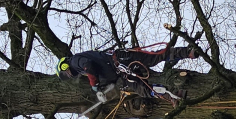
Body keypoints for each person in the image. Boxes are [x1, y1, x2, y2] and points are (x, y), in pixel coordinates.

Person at [58, 45, 202, 89]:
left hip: (120, 59)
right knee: (142, 88)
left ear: (65, 66)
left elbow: (89, 66)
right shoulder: (81, 70)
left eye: (66, 73)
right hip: (122, 72)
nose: (69, 75)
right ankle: (171, 94)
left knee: (154, 58)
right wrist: (103, 88)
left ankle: (186, 52)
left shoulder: (75, 61)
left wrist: (94, 85)